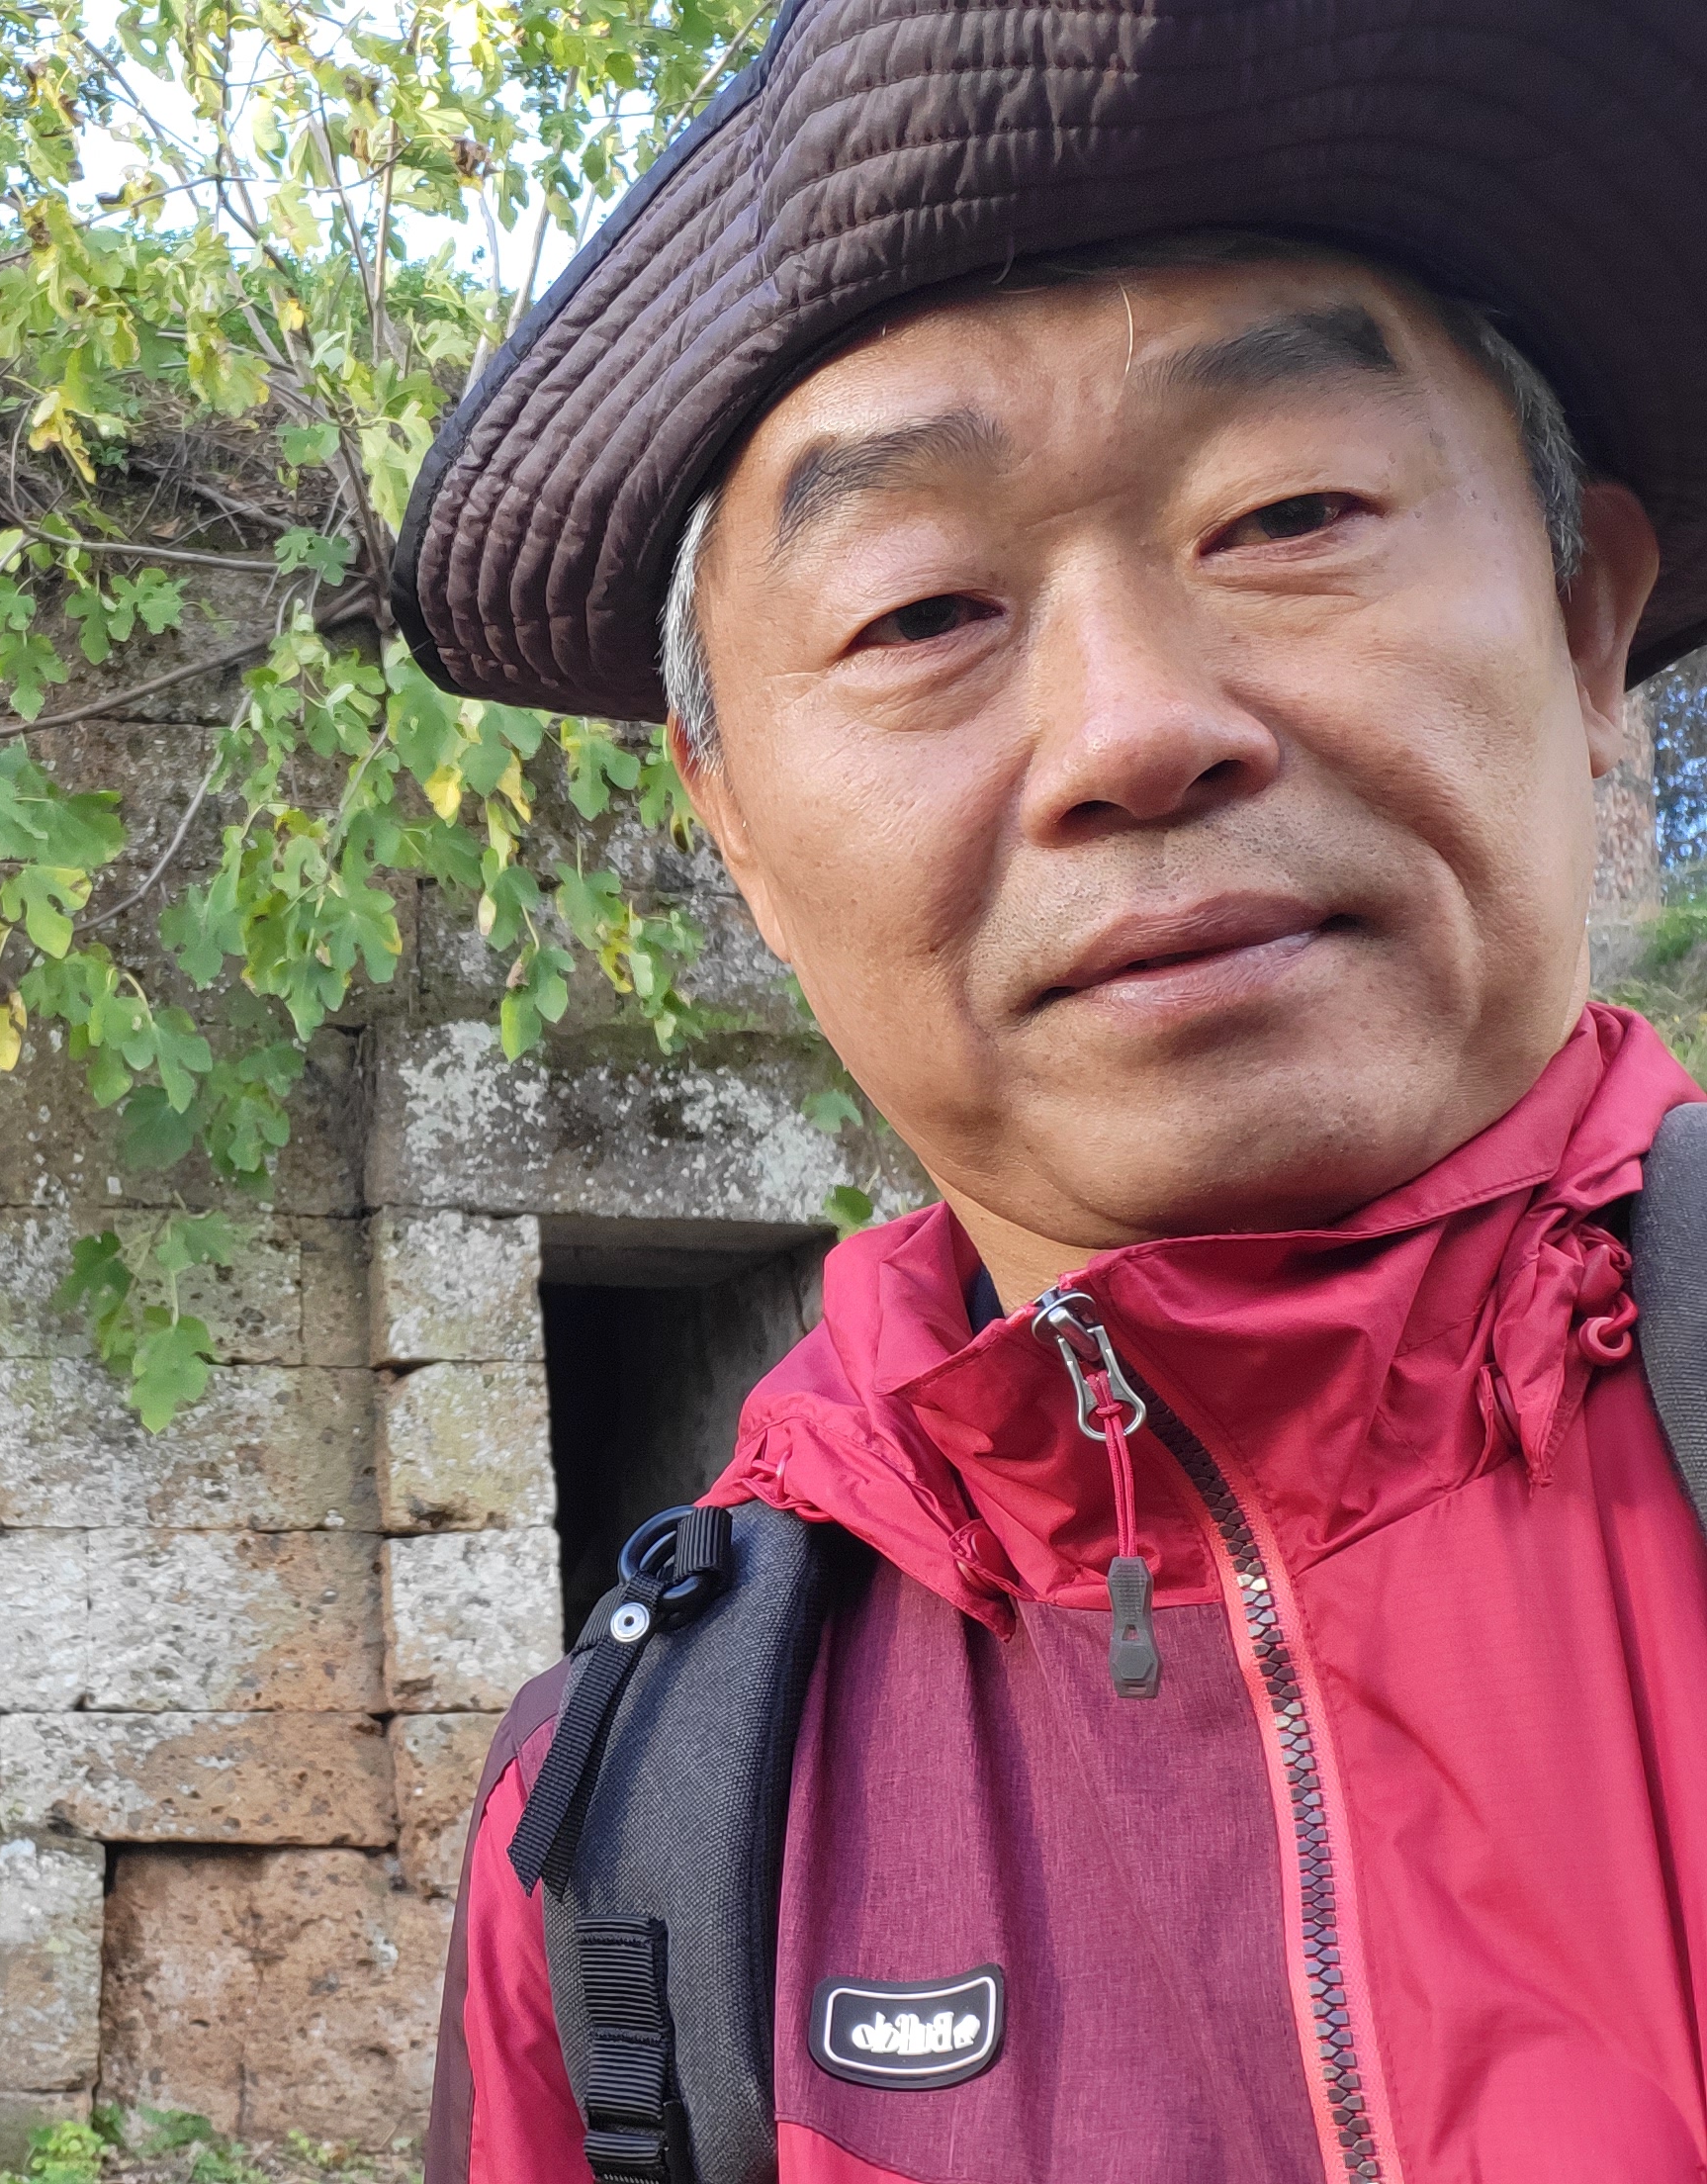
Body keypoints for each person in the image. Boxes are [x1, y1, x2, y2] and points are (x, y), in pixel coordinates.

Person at [387, 2, 1707, 2177]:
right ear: (735, 830)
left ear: (1587, 630)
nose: (1132, 729)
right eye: (921, 613)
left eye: (1287, 511)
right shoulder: (632, 1844)